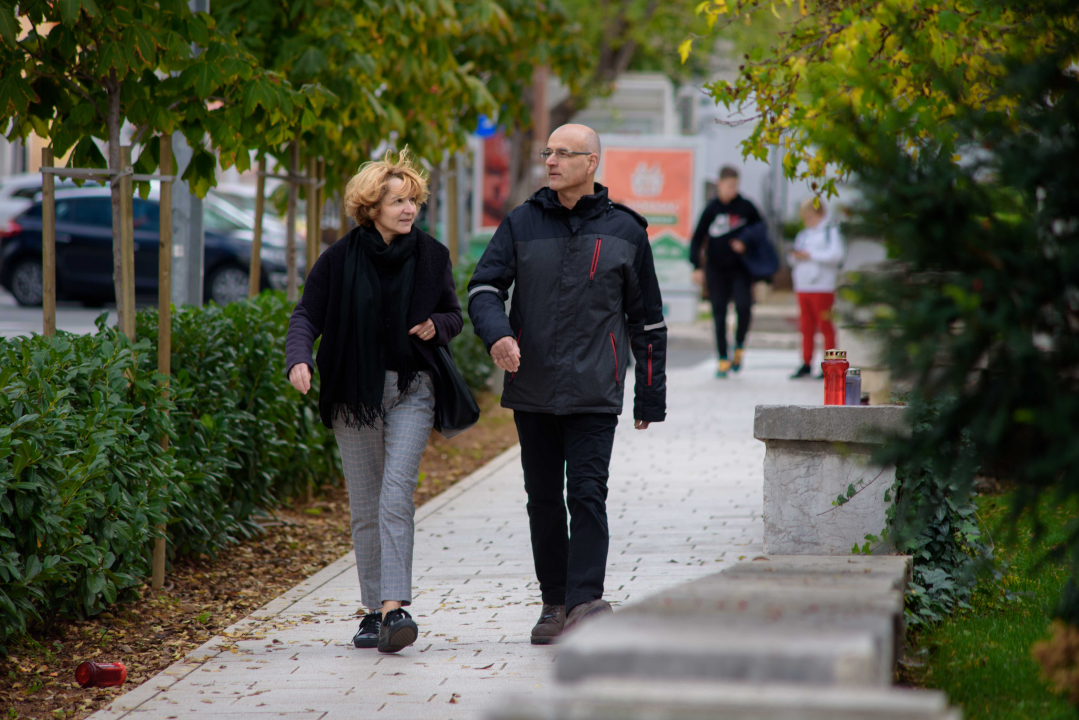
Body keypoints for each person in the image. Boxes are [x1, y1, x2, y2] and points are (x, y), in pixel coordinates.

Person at [467, 124, 667, 645]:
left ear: (591, 162)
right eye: (547, 152)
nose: (550, 161)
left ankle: (585, 601)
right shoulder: (520, 223)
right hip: (531, 386)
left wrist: (650, 395)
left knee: (587, 493)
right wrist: (498, 334)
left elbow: (647, 321)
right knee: (542, 499)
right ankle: (552, 603)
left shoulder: (625, 231)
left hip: (594, 390)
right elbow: (485, 287)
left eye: (563, 153)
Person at [284, 150, 463, 653]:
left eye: (414, 201)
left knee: (394, 495)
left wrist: (437, 325)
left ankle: (395, 609)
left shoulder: (432, 255)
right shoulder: (339, 258)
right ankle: (371, 613)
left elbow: (453, 313)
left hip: (412, 388)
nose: (410, 210)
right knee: (364, 505)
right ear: (371, 207)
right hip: (352, 393)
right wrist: (300, 358)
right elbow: (306, 315)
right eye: (398, 201)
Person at [689, 166, 764, 377]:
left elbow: (761, 233)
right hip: (716, 270)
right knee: (719, 313)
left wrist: (745, 243)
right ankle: (722, 358)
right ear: (720, 184)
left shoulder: (746, 207)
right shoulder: (711, 209)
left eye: (735, 186)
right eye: (729, 185)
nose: (732, 190)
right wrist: (696, 266)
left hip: (740, 269)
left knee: (744, 307)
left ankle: (739, 346)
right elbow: (697, 239)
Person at [789, 197, 846, 379]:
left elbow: (836, 255)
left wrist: (811, 255)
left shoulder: (830, 232)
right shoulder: (804, 234)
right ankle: (806, 362)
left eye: (810, 217)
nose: (808, 221)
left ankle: (830, 364)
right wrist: (797, 256)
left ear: (820, 214)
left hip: (823, 286)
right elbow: (793, 258)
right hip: (803, 285)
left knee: (825, 325)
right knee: (806, 326)